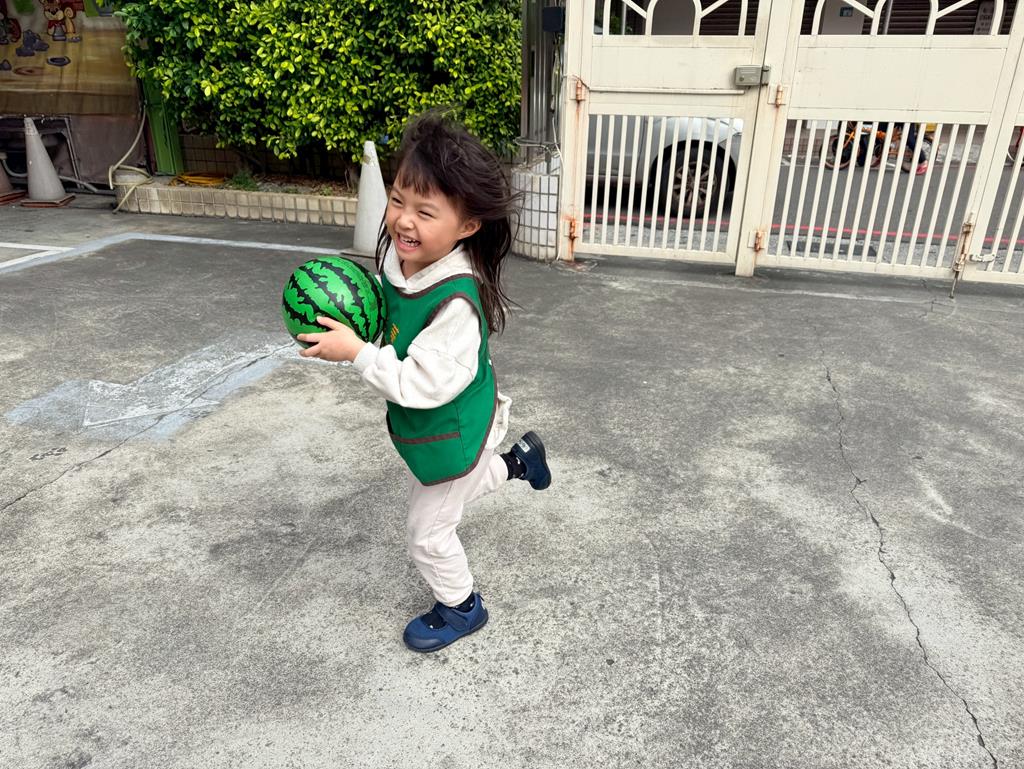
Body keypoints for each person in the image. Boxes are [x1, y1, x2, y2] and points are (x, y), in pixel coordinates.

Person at [296, 112, 552, 652]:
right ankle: (519, 462)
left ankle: (462, 607)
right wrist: (350, 320)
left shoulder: (457, 303)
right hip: (433, 431)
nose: (403, 221)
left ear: (467, 226)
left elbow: (420, 384)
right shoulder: (402, 259)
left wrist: (358, 353)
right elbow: (388, 313)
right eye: (397, 201)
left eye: (425, 211)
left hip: (455, 429)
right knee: (455, 490)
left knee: (428, 531)